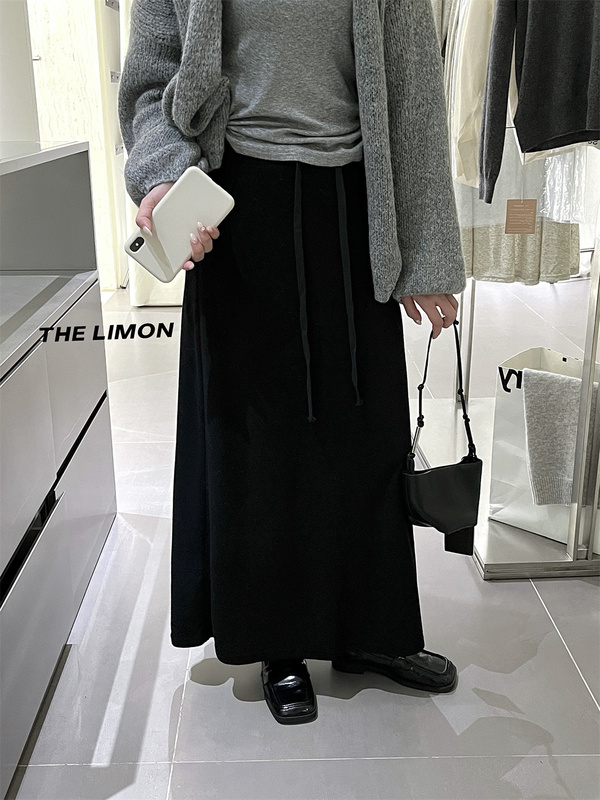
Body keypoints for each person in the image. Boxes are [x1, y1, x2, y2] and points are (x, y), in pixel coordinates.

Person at [118, 0, 466, 726]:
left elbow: (412, 85)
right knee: (261, 437)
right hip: (233, 197)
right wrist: (163, 175)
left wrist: (427, 250)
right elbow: (150, 82)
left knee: (365, 421)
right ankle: (278, 638)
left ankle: (369, 629)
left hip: (356, 197)